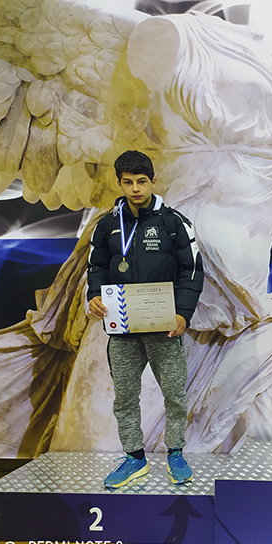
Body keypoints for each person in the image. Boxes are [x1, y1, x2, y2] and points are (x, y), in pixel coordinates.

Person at [87, 150, 204, 488]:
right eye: (128, 182)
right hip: (122, 328)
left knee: (174, 394)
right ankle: (134, 458)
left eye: (141, 181)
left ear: (153, 181)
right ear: (119, 184)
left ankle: (176, 453)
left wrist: (183, 313)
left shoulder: (174, 223)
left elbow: (192, 270)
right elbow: (96, 267)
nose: (135, 189)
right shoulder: (107, 225)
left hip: (164, 327)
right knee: (124, 397)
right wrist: (94, 295)